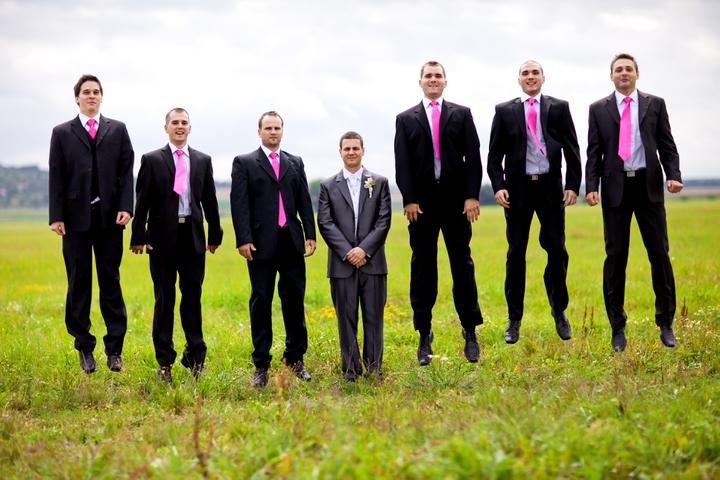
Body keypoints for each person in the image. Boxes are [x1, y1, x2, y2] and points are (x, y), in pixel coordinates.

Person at [586, 53, 683, 352]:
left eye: (629, 69)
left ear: (637, 73)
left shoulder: (655, 104)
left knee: (659, 254)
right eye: (619, 69)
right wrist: (591, 187)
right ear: (611, 76)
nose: (624, 73)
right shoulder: (598, 109)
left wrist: (673, 175)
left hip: (648, 187)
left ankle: (665, 322)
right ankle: (617, 327)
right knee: (615, 258)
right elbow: (593, 151)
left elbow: (667, 144)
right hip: (615, 189)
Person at [394, 60, 483, 365]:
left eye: (438, 76)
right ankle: (424, 333)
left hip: (456, 203)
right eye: (428, 76)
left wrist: (471, 196)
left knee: (462, 266)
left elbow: (473, 157)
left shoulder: (462, 114)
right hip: (421, 206)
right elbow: (402, 162)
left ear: (445, 81)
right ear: (420, 82)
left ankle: (470, 331)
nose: (433, 80)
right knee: (423, 269)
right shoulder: (405, 119)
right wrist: (409, 199)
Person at [487, 60, 582, 344]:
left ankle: (559, 310)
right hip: (517, 192)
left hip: (551, 190)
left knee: (557, 251)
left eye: (535, 73)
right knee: (516, 253)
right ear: (519, 79)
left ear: (543, 77)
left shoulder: (559, 107)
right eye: (525, 73)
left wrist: (572, 185)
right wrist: (499, 187)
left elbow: (572, 149)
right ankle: (514, 318)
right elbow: (494, 156)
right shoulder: (504, 111)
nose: (530, 77)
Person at [48, 74, 134, 374]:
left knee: (111, 281)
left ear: (101, 96)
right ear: (77, 98)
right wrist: (56, 215)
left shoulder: (118, 130)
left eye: (96, 92)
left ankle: (114, 350)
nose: (92, 96)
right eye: (86, 92)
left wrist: (126, 207)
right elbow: (56, 175)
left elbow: (126, 171)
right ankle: (84, 346)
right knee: (78, 283)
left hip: (110, 219)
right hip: (74, 221)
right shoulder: (62, 132)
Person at [130, 108, 223, 384]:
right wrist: (138, 236)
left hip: (193, 238)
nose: (179, 126)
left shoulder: (202, 160)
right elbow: (142, 201)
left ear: (190, 128)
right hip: (161, 240)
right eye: (175, 123)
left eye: (184, 123)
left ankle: (195, 357)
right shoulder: (152, 160)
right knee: (164, 300)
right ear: (166, 128)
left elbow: (210, 200)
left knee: (192, 297)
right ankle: (164, 362)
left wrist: (214, 234)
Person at [230, 111, 316, 387]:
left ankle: (295, 358)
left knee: (294, 301)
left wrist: (310, 234)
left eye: (277, 128)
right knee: (261, 301)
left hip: (291, 242)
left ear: (282, 130)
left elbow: (304, 200)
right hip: (259, 244)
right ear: (259, 132)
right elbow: (239, 204)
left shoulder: (295, 162)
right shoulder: (244, 163)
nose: (273, 132)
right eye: (268, 128)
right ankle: (261, 364)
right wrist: (243, 239)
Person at [317, 131, 392, 382]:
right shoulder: (328, 186)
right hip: (342, 264)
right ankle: (350, 370)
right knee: (345, 320)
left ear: (363, 150)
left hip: (373, 262)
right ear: (340, 152)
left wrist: (364, 250)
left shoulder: (379, 182)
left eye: (355, 148)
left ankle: (374, 369)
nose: (351, 152)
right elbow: (325, 222)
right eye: (347, 148)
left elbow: (384, 221)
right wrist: (348, 252)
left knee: (374, 318)